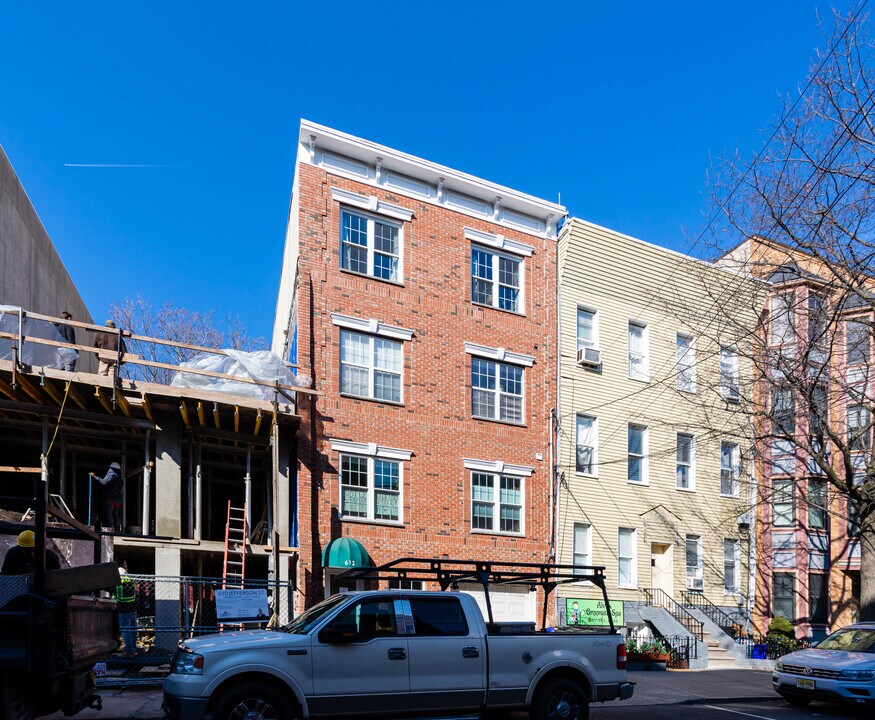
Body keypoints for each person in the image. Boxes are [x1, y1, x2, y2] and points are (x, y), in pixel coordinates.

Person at [91, 462, 123, 532]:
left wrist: (94, 476)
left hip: (110, 499)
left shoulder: (111, 474)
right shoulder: (120, 478)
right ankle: (117, 532)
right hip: (118, 500)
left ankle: (110, 532)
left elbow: (103, 482)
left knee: (109, 516)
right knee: (115, 516)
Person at [114, 567, 138, 656]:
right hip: (133, 609)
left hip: (123, 610)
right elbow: (136, 594)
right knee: (133, 630)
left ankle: (129, 650)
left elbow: (116, 597)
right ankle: (133, 648)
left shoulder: (118, 583)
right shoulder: (132, 581)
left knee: (126, 630)